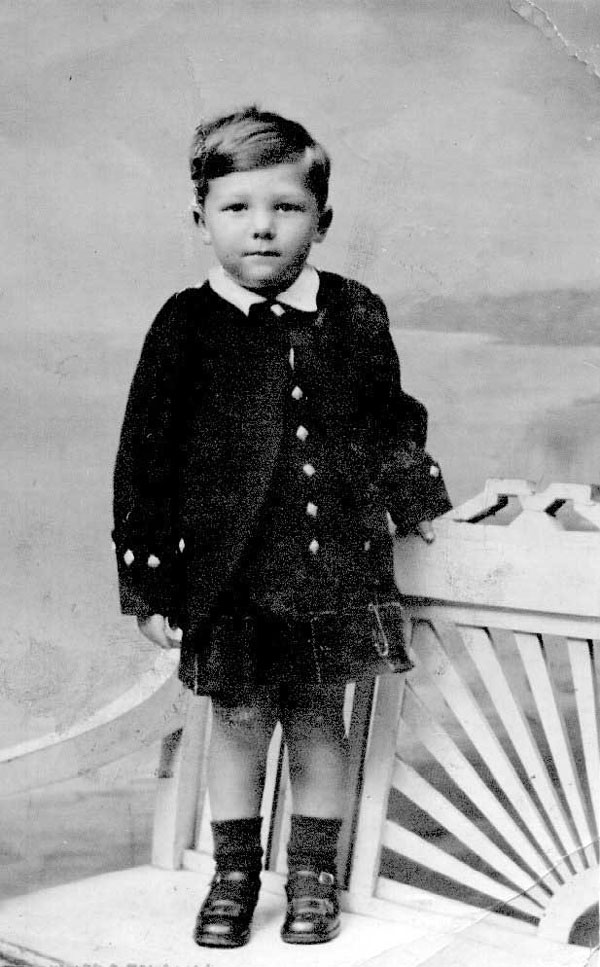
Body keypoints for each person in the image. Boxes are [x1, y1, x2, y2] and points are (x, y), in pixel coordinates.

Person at [112, 106, 451, 949]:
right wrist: (149, 582)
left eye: (286, 206)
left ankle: (311, 874)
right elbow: (145, 460)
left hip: (330, 568)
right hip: (231, 575)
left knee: (316, 719)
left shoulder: (355, 311)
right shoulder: (184, 325)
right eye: (237, 207)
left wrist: (414, 495)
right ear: (201, 219)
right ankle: (233, 877)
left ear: (321, 220)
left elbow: (388, 418)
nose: (261, 226)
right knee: (236, 719)